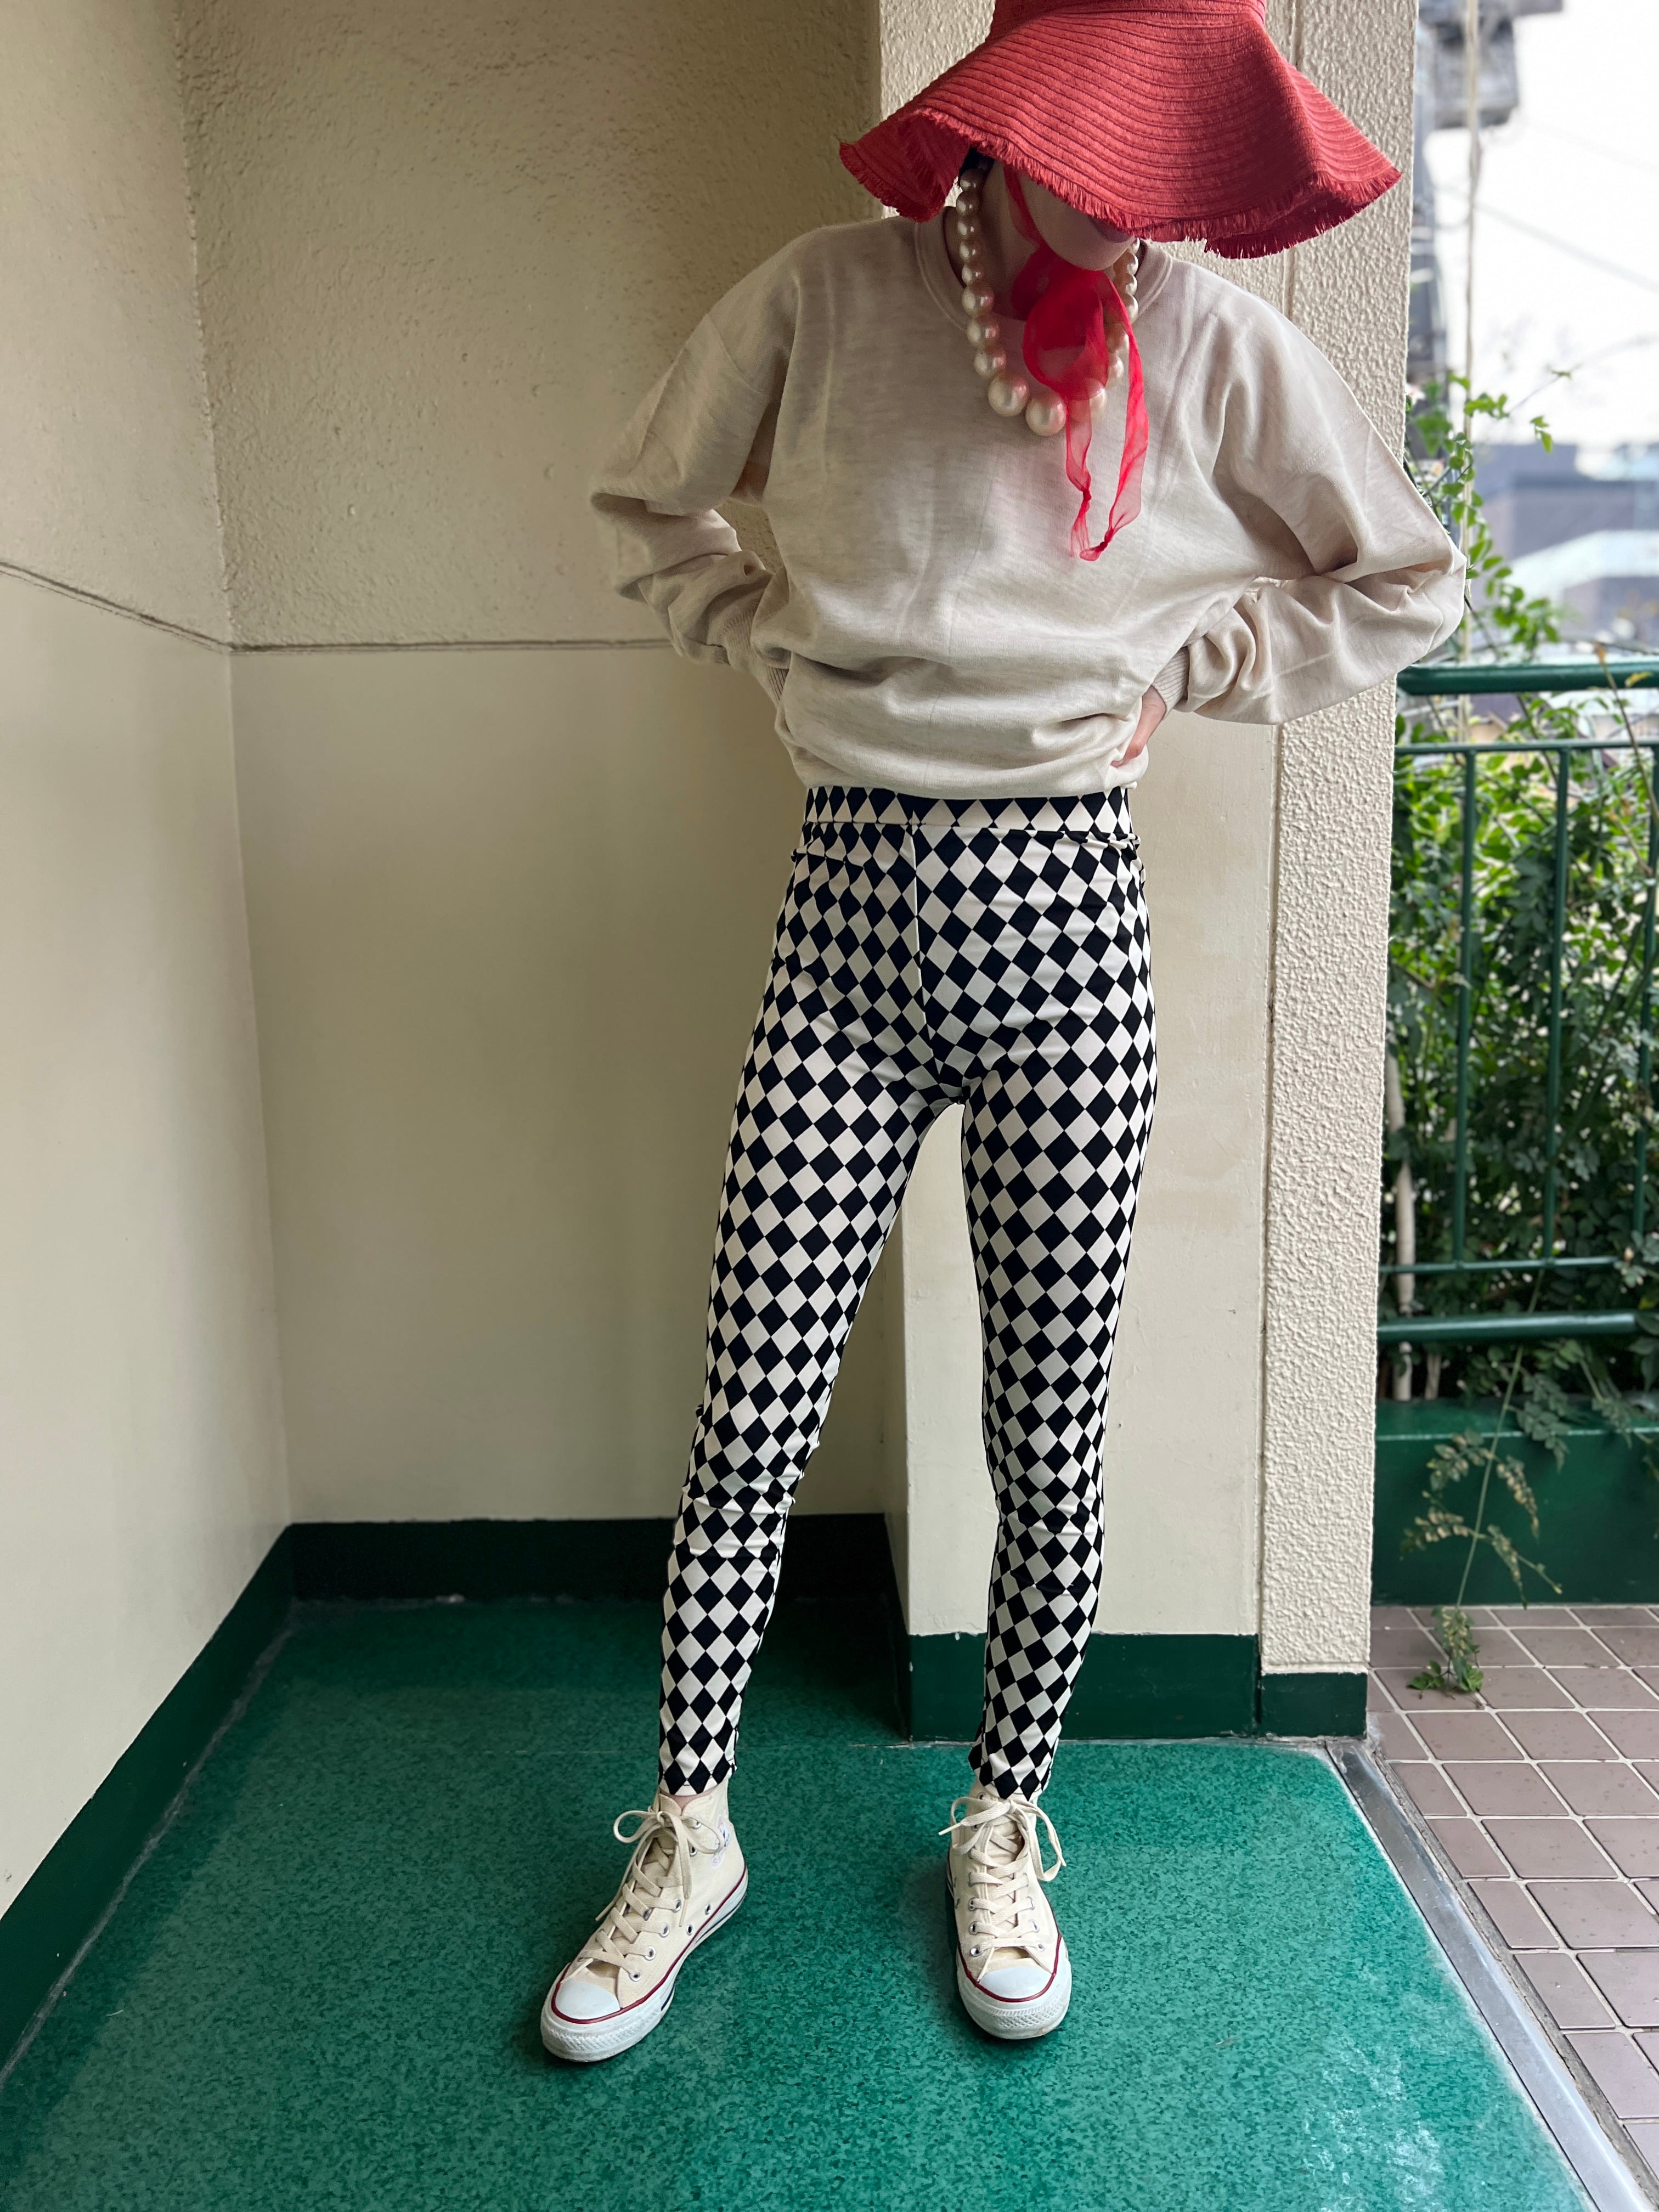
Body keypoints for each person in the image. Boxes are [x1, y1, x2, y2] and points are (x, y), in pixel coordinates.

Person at [541, 0, 1464, 2063]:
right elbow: (644, 505)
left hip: (1070, 915)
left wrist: (1200, 663)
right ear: (1010, 122)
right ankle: (693, 1826)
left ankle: (1003, 1816)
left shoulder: (1213, 341)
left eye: (1177, 165)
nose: (1139, 202)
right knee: (754, 1399)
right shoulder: (824, 300)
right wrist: (767, 644)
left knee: (1048, 1423)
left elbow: (1405, 578)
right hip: (851, 905)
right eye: (1111, 147)